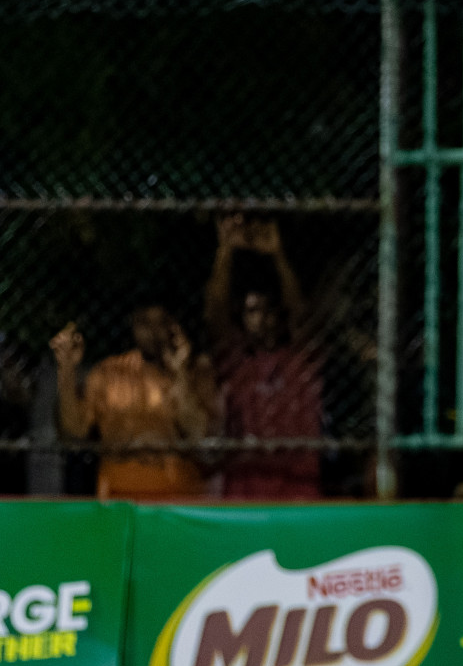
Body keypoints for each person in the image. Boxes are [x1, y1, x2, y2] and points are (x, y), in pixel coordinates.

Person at [204, 214, 324, 500]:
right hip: (248, 485)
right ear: (242, 319)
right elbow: (215, 316)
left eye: (269, 310)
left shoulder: (299, 362)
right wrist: (225, 251)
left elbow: (301, 318)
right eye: (253, 311)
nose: (263, 319)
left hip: (297, 484)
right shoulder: (237, 363)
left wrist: (278, 256)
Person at [51, 306, 221, 500]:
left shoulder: (194, 371)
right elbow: (75, 430)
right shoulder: (109, 373)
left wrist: (180, 373)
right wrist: (66, 369)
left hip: (178, 501)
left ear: (172, 326)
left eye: (160, 322)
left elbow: (198, 432)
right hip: (119, 497)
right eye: (144, 322)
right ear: (133, 325)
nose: (152, 331)